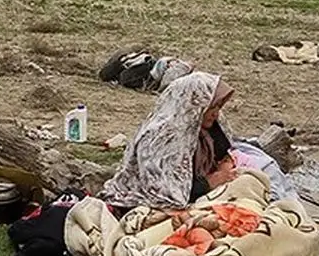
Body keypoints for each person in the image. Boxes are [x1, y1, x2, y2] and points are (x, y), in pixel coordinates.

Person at [100, 71, 295, 211]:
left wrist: (226, 168)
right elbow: (165, 193)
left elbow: (225, 151)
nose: (216, 113)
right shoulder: (162, 139)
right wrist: (210, 182)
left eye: (218, 107)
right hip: (154, 203)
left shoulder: (206, 128)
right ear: (194, 105)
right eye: (212, 107)